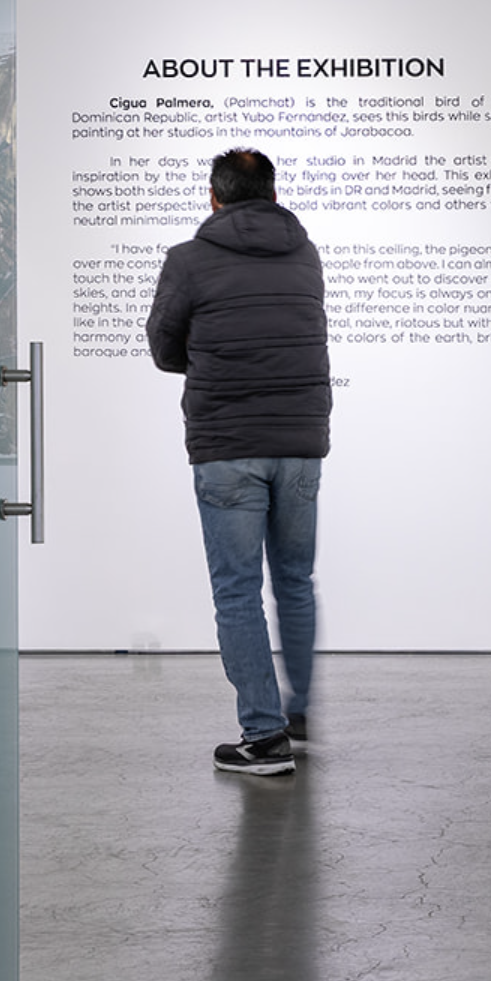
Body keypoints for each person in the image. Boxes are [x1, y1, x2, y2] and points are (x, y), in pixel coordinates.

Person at [145, 148, 331, 776]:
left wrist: (210, 358)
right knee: (295, 581)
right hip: (301, 444)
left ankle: (264, 734)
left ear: (213, 196)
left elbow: (165, 349)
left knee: (236, 590)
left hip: (227, 446)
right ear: (274, 195)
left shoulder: (187, 261)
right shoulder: (305, 254)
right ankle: (297, 710)